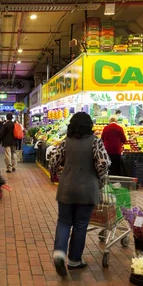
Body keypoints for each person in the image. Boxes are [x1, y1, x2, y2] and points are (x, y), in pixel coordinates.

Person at [49, 112, 110, 277]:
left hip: (66, 187)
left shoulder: (65, 142)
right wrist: (97, 175)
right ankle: (74, 260)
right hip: (87, 188)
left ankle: (59, 254)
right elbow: (103, 162)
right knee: (80, 224)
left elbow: (53, 159)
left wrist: (54, 172)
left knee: (63, 221)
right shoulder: (95, 142)